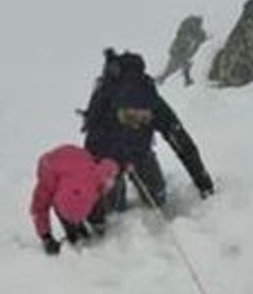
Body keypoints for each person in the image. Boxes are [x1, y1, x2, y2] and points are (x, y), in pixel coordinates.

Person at [81, 48, 214, 209]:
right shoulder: (103, 105)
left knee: (157, 198)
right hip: (107, 155)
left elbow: (182, 144)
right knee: (112, 207)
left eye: (144, 119)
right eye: (131, 118)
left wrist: (203, 182)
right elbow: (90, 152)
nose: (137, 123)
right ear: (119, 109)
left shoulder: (156, 105)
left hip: (140, 151)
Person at [30, 145, 121, 255]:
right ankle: (74, 233)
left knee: (97, 204)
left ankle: (97, 222)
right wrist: (46, 237)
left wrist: (111, 181)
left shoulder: (96, 178)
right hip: (54, 164)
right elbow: (39, 208)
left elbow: (110, 165)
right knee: (72, 226)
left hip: (81, 160)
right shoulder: (48, 184)